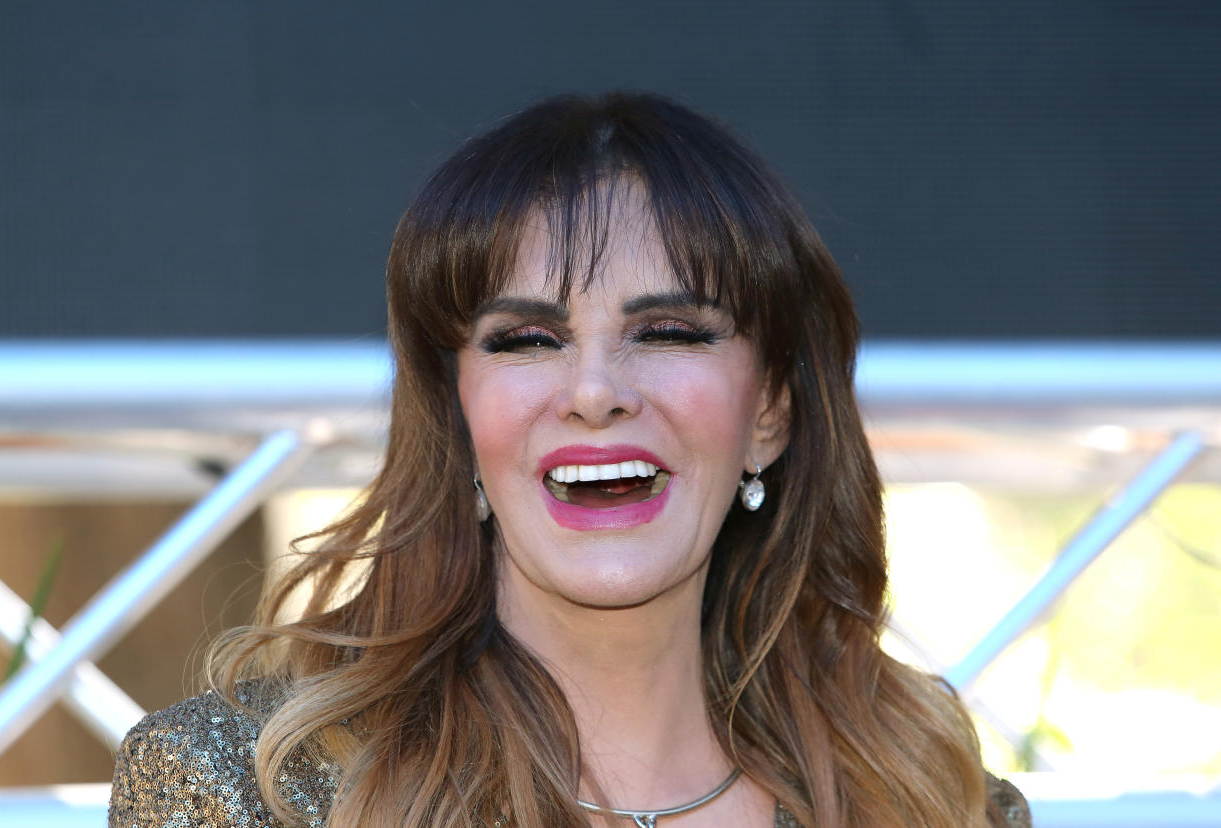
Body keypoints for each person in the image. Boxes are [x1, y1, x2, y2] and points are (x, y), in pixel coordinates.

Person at [109, 92, 1030, 827]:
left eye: (668, 331)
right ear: (457, 414)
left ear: (771, 410)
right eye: (525, 340)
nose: (595, 391)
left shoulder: (940, 802)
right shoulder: (237, 792)